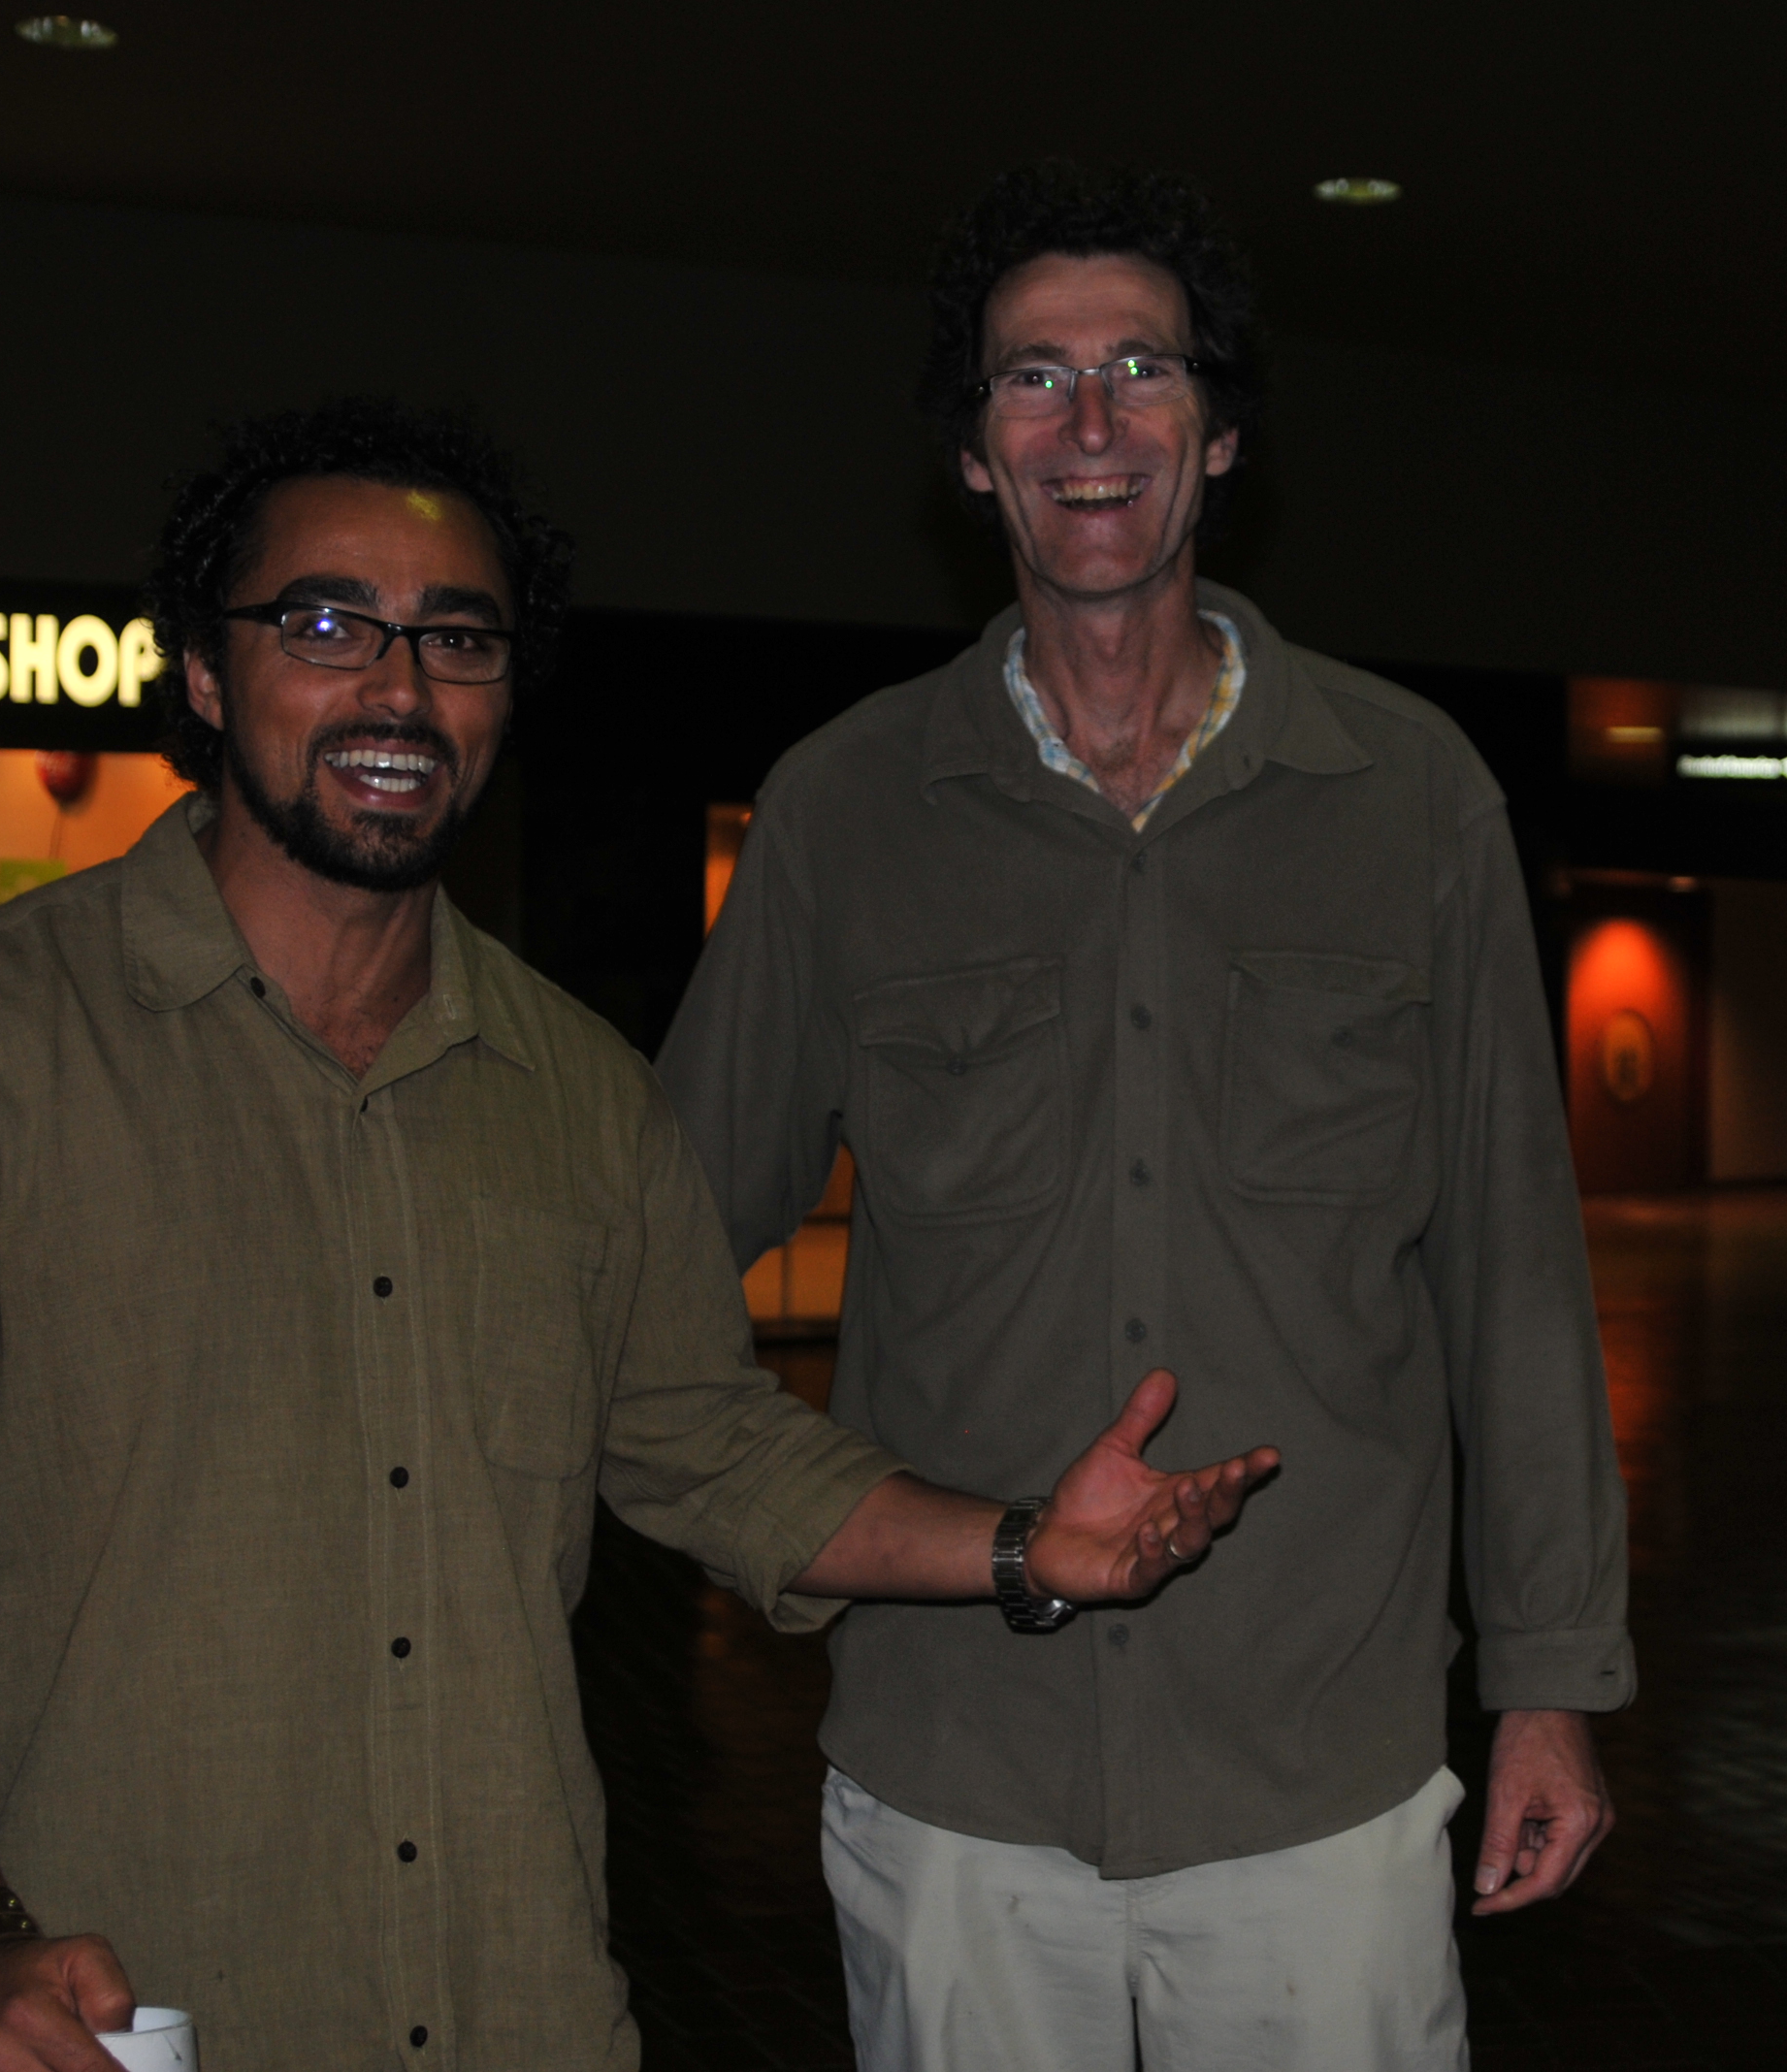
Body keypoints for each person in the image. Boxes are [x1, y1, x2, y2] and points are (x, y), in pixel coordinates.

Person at [0, 398, 1277, 2072]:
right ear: (204, 674)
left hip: (512, 2007)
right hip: (117, 2023)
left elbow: (714, 1447)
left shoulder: (583, 1098)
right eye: (326, 625)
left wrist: (1027, 1546)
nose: (399, 690)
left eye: (456, 640)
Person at [654, 161, 1632, 2067]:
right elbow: (660, 1244)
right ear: (973, 454)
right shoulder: (848, 810)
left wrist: (1551, 1682)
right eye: (1034, 377)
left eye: (1142, 370)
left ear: (1222, 430)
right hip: (957, 1778)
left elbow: (1513, 1272)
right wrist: (809, 1527)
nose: (1090, 423)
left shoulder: (1411, 795)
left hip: (1319, 1776)